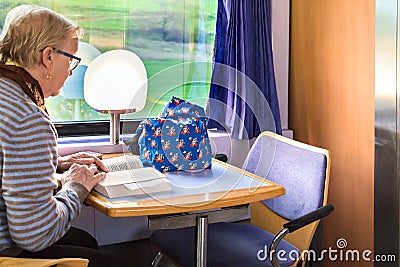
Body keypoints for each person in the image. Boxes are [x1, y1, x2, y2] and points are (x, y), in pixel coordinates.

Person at [0, 5, 135, 266]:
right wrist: (76, 186)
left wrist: (55, 164)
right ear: (48, 57)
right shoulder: (27, 117)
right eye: (71, 58)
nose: (71, 70)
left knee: (83, 242)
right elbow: (34, 236)